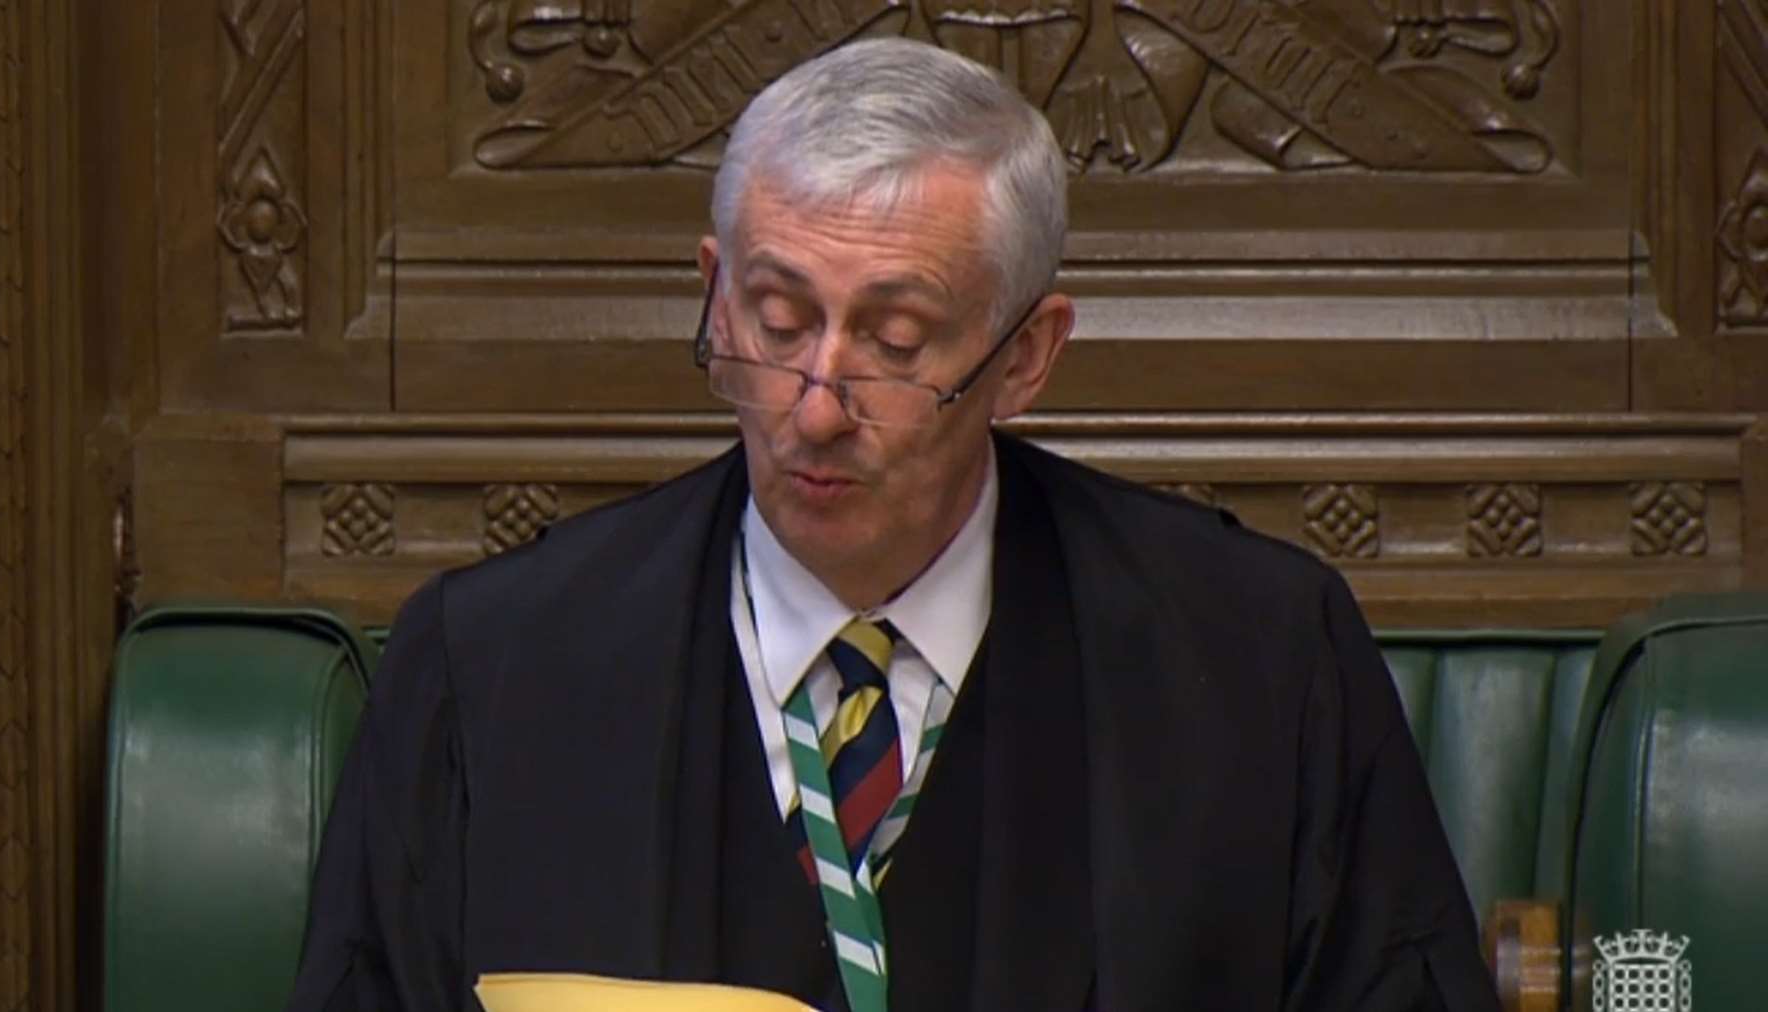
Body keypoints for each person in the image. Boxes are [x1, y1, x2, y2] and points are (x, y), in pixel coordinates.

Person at [286, 37, 1502, 1012]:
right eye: (772, 319)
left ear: (1026, 355)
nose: (815, 405)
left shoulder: (1257, 661)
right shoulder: (489, 667)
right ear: (712, 287)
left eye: (896, 341)